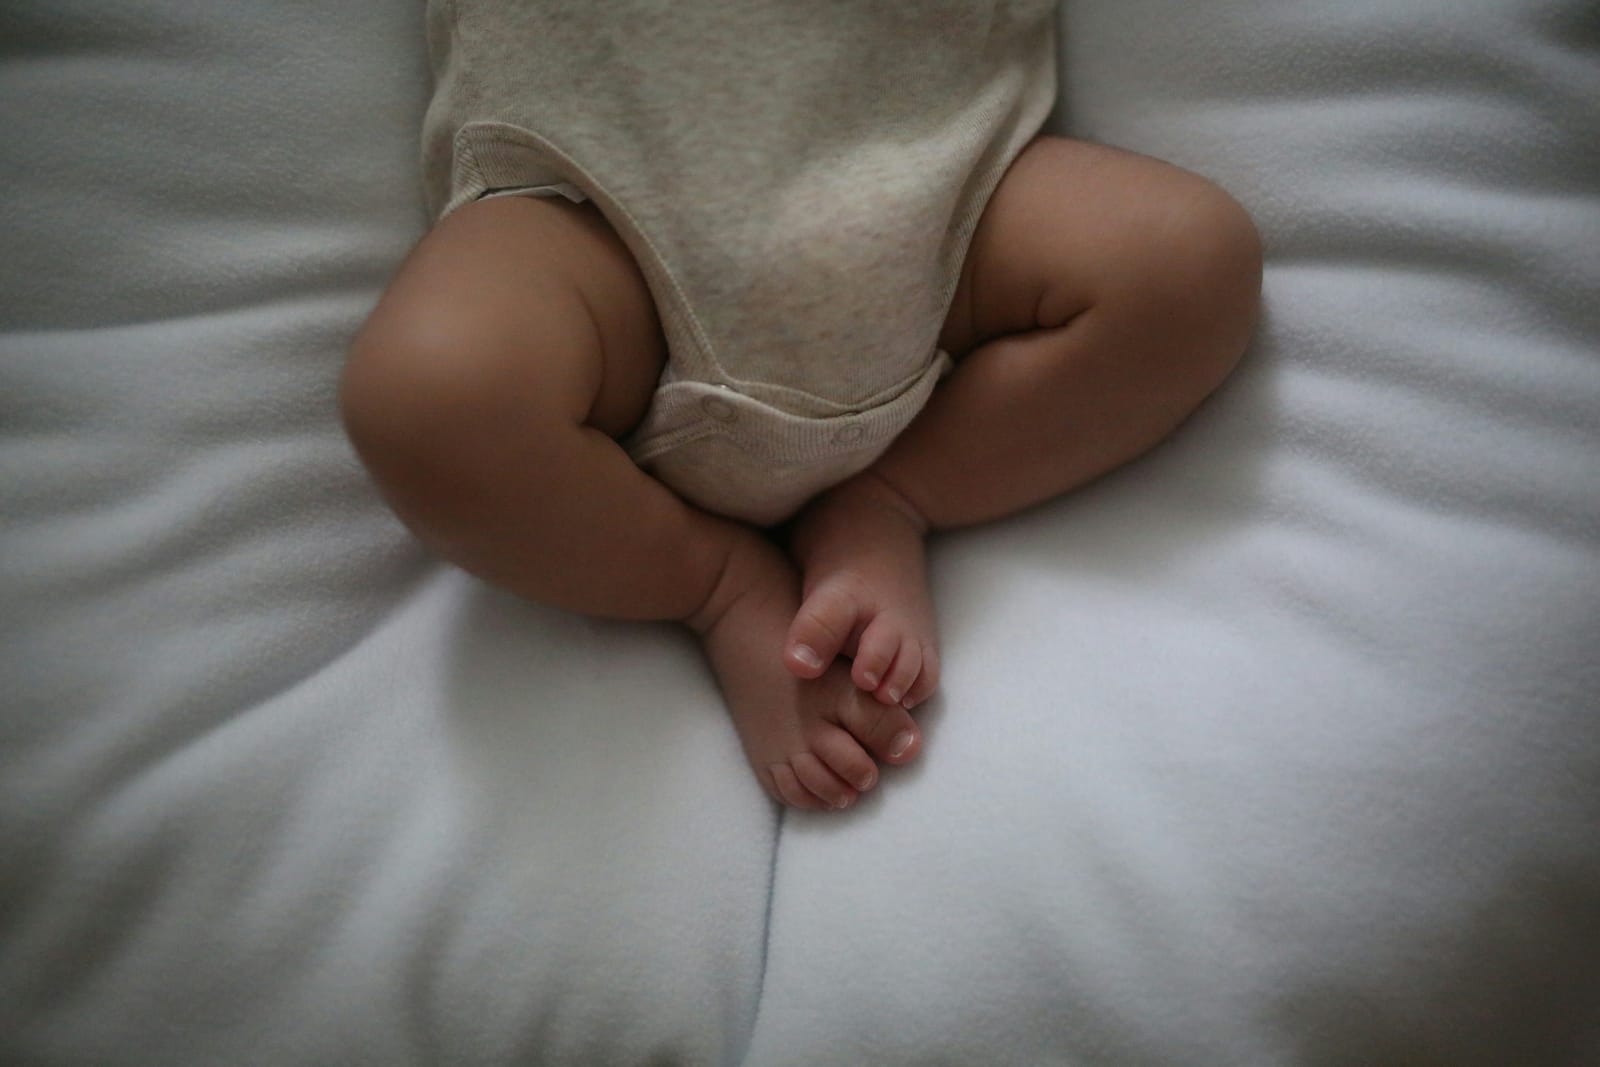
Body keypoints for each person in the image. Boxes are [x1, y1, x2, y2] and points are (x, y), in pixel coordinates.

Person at [340, 1, 1262, 811]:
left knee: (1189, 261)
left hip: (936, 182)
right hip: (595, 214)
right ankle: (716, 582)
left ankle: (892, 498)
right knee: (428, 396)